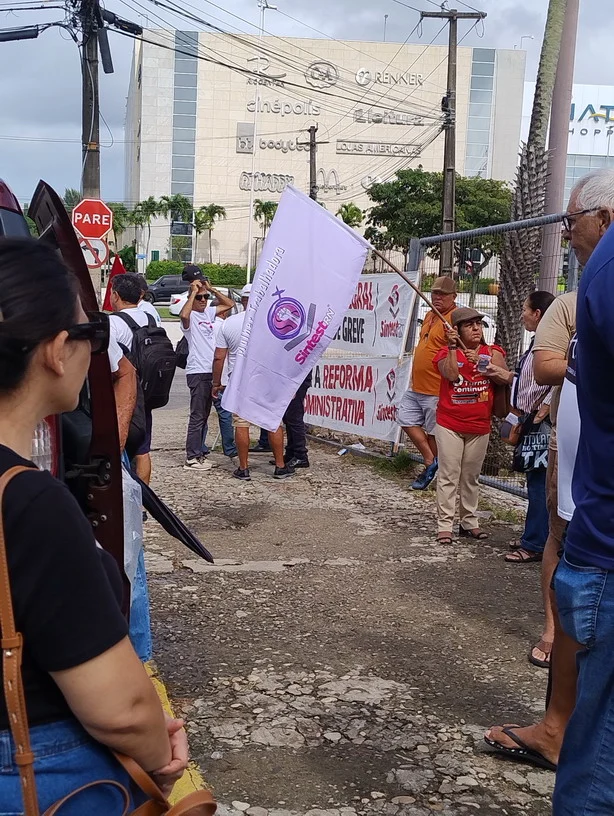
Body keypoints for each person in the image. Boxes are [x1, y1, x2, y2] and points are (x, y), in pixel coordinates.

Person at [0, 237, 187, 811]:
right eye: (93, 333)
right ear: (58, 351)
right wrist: (159, 757)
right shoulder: (29, 503)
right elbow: (121, 712)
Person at [484, 168, 614, 775]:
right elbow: (545, 365)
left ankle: (563, 732)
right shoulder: (576, 297)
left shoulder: (604, 277)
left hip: (600, 506)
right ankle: (555, 720)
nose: (566, 233)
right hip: (581, 471)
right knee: (564, 558)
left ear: (605, 219)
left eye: (572, 221)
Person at [485, 291, 556, 564]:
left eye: (525, 309)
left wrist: (545, 407)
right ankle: (535, 535)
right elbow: (529, 380)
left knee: (539, 484)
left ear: (537, 313)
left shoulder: (551, 344)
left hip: (539, 422)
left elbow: (559, 377)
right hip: (529, 418)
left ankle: (535, 543)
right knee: (535, 481)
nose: (521, 314)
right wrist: (506, 376)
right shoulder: (539, 342)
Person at [433, 307, 507, 544]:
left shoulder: (492, 352)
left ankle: (469, 522)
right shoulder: (444, 352)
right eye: (469, 325)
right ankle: (445, 525)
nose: (476, 328)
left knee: (471, 477)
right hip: (450, 424)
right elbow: (450, 375)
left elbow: (505, 377)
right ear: (456, 330)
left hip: (479, 426)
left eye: (478, 324)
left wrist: (485, 364)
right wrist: (452, 347)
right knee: (448, 475)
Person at [212, 284, 295, 481]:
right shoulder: (272, 323)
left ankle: (243, 467)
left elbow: (219, 357)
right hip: (268, 377)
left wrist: (216, 382)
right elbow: (283, 356)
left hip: (240, 378)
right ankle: (280, 465)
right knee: (273, 421)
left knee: (241, 423)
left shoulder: (229, 323)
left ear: (242, 300)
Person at [397, 276, 457, 490]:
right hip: (417, 385)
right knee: (404, 417)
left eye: (442, 294)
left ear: (453, 296)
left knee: (433, 432)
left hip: (436, 386)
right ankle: (431, 460)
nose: (437, 297)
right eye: (435, 293)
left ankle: (434, 471)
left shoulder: (454, 318)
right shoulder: (431, 314)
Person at [109, 273, 167, 486]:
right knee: (143, 450)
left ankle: (122, 492)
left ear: (116, 295)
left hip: (123, 393)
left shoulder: (113, 323)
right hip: (147, 390)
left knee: (119, 446)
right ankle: (143, 497)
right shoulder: (150, 318)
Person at [180, 273, 234, 470]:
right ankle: (192, 457)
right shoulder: (191, 316)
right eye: (200, 298)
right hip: (198, 370)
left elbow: (229, 304)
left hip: (210, 371)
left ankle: (199, 454)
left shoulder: (208, 313)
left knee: (204, 416)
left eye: (205, 297)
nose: (203, 300)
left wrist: (211, 290)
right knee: (197, 416)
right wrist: (193, 293)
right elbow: (183, 316)